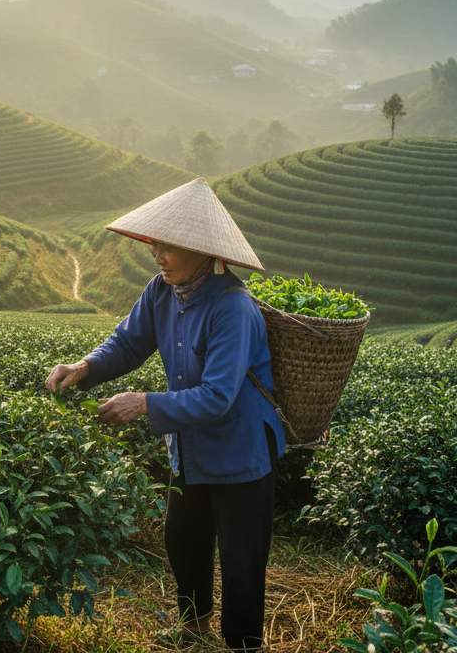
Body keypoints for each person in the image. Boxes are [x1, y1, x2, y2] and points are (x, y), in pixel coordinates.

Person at [46, 178, 283, 652]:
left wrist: (145, 404)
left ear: (202, 251)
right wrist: (85, 367)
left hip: (241, 448)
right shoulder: (161, 291)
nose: (157, 255)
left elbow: (218, 395)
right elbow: (128, 342)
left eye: (168, 247)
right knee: (184, 538)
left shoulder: (232, 307)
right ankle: (194, 626)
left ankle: (243, 645)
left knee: (241, 560)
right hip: (190, 446)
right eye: (156, 244)